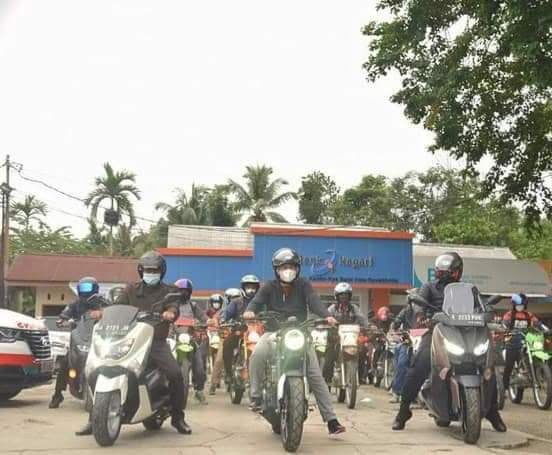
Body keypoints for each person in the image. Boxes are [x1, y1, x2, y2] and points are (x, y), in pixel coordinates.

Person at [76, 251, 191, 436]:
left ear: (161, 272)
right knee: (93, 369)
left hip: (155, 341)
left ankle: (178, 418)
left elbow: (173, 306)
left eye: (154, 270)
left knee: (175, 374)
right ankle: (94, 419)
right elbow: (117, 307)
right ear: (140, 271)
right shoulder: (130, 290)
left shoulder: (169, 291)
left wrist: (170, 313)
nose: (150, 273)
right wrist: (103, 313)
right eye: (147, 270)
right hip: (127, 338)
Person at [392, 252, 506, 433]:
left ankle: (492, 411)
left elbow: (482, 305)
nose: (445, 274)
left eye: (449, 271)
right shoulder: (429, 287)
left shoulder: (469, 289)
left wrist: (488, 311)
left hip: (468, 332)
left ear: (458, 272)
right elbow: (419, 304)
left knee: (487, 365)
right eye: (442, 271)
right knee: (420, 363)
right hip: (438, 331)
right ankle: (403, 410)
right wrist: (421, 315)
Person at [243, 247, 346, 436]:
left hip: (300, 334)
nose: (288, 270)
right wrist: (250, 311)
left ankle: (331, 420)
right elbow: (256, 301)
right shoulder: (269, 287)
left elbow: (314, 301)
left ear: (297, 269)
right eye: (284, 267)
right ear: (276, 270)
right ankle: (256, 396)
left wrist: (327, 316)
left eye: (291, 267)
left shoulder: (304, 285)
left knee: (315, 375)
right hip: (274, 333)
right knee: (257, 354)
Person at [49, 277, 104, 409]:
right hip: (79, 341)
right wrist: (62, 319)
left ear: (95, 289)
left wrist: (103, 313)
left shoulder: (102, 302)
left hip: (98, 341)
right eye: (83, 287)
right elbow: (65, 313)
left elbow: (113, 313)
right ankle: (57, 395)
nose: (85, 290)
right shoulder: (75, 304)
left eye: (88, 287)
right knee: (64, 363)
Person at [501, 293, 550, 393]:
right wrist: (505, 328)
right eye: (518, 305)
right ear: (514, 305)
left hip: (526, 341)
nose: (520, 307)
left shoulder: (528, 315)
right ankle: (504, 387)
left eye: (522, 305)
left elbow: (537, 323)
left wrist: (545, 329)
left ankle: (530, 376)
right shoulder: (509, 314)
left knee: (529, 357)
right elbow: (504, 323)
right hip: (512, 342)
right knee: (509, 365)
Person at [323, 282, 368, 383]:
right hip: (335, 338)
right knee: (329, 357)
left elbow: (362, 319)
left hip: (351, 338)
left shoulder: (354, 308)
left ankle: (361, 376)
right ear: (337, 296)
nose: (344, 297)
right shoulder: (332, 308)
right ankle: (327, 381)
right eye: (341, 295)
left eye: (346, 295)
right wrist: (326, 323)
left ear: (350, 296)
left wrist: (367, 326)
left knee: (363, 351)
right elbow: (326, 318)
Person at [174, 278, 209, 405]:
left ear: (190, 292)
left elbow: (204, 318)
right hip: (173, 339)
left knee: (199, 367)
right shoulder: (170, 306)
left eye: (186, 291)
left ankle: (199, 391)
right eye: (180, 291)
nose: (183, 293)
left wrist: (208, 321)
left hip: (190, 339)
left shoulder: (193, 306)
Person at [209, 288, 243, 395]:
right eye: (232, 298)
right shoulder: (223, 311)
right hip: (225, 337)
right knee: (219, 360)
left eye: (236, 297)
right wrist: (220, 322)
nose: (234, 300)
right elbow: (217, 320)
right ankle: (214, 384)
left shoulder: (245, 308)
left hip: (243, 336)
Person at [388, 291, 420, 403]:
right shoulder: (405, 311)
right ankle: (397, 391)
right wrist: (395, 329)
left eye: (419, 302)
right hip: (408, 342)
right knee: (402, 363)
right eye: (414, 302)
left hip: (424, 343)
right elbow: (397, 321)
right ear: (409, 302)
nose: (417, 305)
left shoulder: (427, 312)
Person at [371, 306, 393, 379]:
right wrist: (373, 328)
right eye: (383, 314)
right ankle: (374, 366)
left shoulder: (391, 320)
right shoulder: (375, 320)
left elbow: (395, 325)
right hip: (377, 339)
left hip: (388, 339)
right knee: (378, 348)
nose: (385, 316)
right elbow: (370, 325)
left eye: (386, 314)